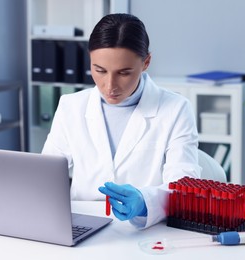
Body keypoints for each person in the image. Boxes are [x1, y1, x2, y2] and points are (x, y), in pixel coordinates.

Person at [42, 13, 201, 229]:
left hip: (147, 230)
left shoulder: (176, 109)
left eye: (124, 73)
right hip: (82, 223)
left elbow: (184, 185)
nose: (110, 86)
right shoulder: (70, 106)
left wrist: (145, 202)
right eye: (99, 70)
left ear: (146, 62)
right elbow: (45, 175)